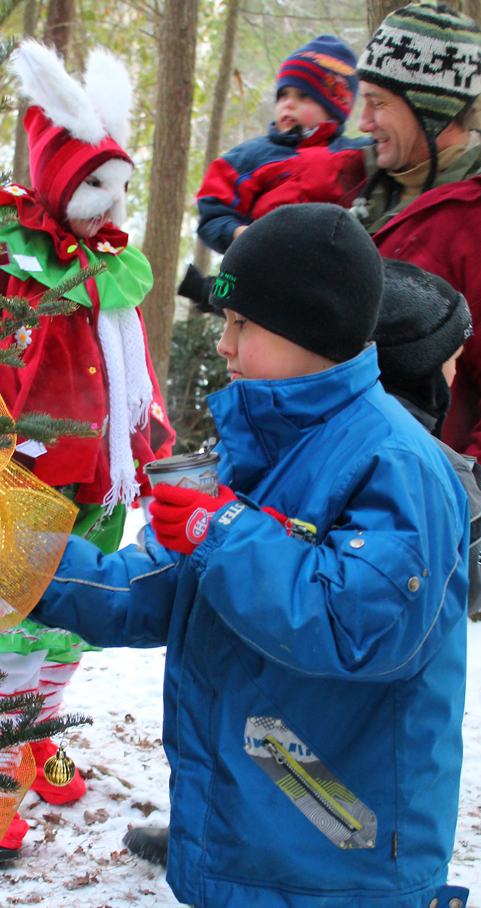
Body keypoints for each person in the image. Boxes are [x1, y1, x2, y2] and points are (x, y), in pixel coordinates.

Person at [29, 203, 469, 908]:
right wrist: (15, 556)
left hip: (345, 851)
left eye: (243, 325)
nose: (224, 345)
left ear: (315, 331)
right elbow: (147, 589)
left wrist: (222, 528)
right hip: (241, 842)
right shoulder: (250, 449)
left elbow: (360, 628)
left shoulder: (397, 463)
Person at [0, 40, 174, 861]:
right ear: (57, 178)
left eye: (120, 187)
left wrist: (152, 451)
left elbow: (135, 376)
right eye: (94, 186)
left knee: (67, 633)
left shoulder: (111, 270)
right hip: (18, 483)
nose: (110, 206)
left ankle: (32, 742)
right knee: (11, 641)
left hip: (94, 486)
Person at [348, 1, 481, 461]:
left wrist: (465, 490)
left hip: (426, 486)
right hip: (351, 473)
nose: (364, 122)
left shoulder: (471, 221)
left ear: (431, 108)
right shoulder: (366, 190)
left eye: (378, 103)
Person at [193, 35, 368, 257]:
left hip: (336, 265)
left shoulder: (355, 153)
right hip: (266, 262)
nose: (288, 104)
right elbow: (214, 210)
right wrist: (242, 235)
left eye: (304, 96)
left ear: (333, 109)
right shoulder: (251, 157)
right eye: (283, 95)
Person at [374, 258, 481, 616]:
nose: (456, 373)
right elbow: (470, 589)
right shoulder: (440, 468)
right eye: (453, 360)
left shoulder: (331, 431)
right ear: (423, 366)